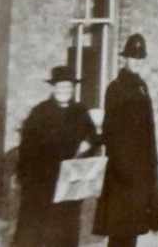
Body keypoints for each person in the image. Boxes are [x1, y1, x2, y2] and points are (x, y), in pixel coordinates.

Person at [14, 66, 97, 247]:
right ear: (53, 88)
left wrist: (88, 145)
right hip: (42, 177)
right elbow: (27, 145)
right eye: (61, 87)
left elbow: (94, 138)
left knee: (65, 224)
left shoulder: (80, 111)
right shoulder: (40, 112)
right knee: (35, 224)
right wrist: (26, 175)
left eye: (68, 87)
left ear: (73, 88)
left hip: (69, 178)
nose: (64, 91)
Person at [93, 33, 158, 247]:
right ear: (125, 59)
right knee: (120, 229)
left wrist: (152, 163)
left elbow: (147, 131)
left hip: (141, 169)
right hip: (123, 172)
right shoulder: (116, 88)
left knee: (132, 228)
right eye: (133, 58)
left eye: (141, 58)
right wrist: (124, 168)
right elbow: (110, 130)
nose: (137, 62)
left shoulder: (141, 87)